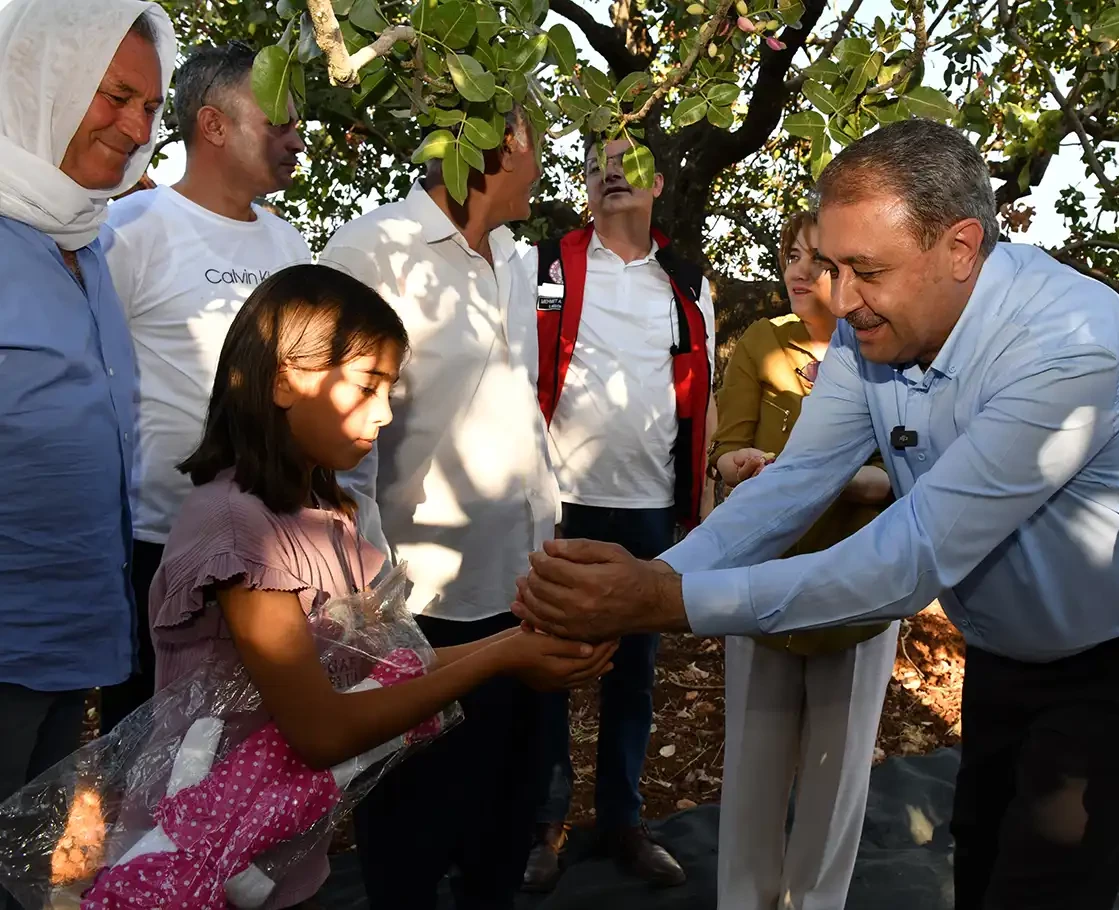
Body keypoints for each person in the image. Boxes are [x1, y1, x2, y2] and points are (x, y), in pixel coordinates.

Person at [513, 118, 1119, 910]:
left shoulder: (1069, 343)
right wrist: (651, 579)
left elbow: (908, 560)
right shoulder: (871, 333)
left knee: (1046, 884)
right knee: (982, 854)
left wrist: (663, 602)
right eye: (830, 266)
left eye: (865, 270)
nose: (841, 299)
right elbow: (794, 485)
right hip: (1009, 649)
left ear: (961, 248)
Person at [149, 263, 615, 910]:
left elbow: (382, 671)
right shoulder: (241, 535)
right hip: (199, 869)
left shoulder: (319, 514)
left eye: (390, 390)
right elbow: (321, 729)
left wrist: (512, 646)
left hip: (278, 859)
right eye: (368, 386)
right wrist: (505, 656)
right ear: (286, 378)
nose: (386, 413)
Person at [319, 108, 562, 910]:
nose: (548, 159)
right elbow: (339, 444)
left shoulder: (516, 261)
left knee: (504, 830)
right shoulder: (372, 251)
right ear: (498, 146)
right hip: (424, 610)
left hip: (526, 594)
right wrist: (373, 600)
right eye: (540, 140)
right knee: (413, 843)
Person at [0, 0, 175, 855]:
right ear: (41, 83)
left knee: (22, 867)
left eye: (149, 105)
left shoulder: (90, 244)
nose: (137, 124)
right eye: (114, 95)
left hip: (73, 643)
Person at [519, 136, 714, 891]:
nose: (610, 171)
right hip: (560, 504)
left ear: (658, 183)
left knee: (633, 676)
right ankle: (545, 824)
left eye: (628, 161)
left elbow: (699, 396)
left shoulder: (686, 281)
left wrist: (694, 508)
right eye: (597, 159)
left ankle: (624, 822)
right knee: (552, 667)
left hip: (650, 508)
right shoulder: (544, 266)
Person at [100, 40, 311, 733]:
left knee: (251, 749)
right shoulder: (130, 231)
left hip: (267, 545)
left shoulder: (289, 247)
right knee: (148, 751)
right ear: (213, 125)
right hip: (154, 551)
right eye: (277, 118)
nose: (296, 136)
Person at [709, 210, 896, 910]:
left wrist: (834, 480)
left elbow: (901, 477)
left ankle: (817, 901)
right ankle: (745, 900)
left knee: (837, 772)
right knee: (753, 767)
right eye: (791, 254)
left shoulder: (887, 351)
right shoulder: (763, 342)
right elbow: (724, 452)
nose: (797, 269)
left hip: (858, 586)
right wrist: (743, 465)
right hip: (761, 581)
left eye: (817, 259)